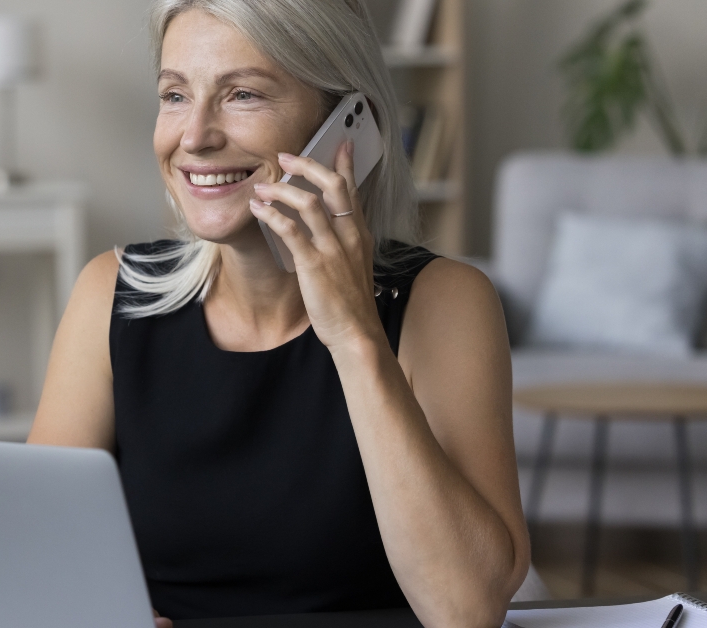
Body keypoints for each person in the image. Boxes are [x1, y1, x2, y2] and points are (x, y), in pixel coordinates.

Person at [27, 0, 530, 626]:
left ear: (347, 127)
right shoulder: (111, 292)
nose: (195, 137)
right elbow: (33, 557)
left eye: (243, 95)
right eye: (175, 95)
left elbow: (467, 610)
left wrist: (354, 337)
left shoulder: (445, 303)